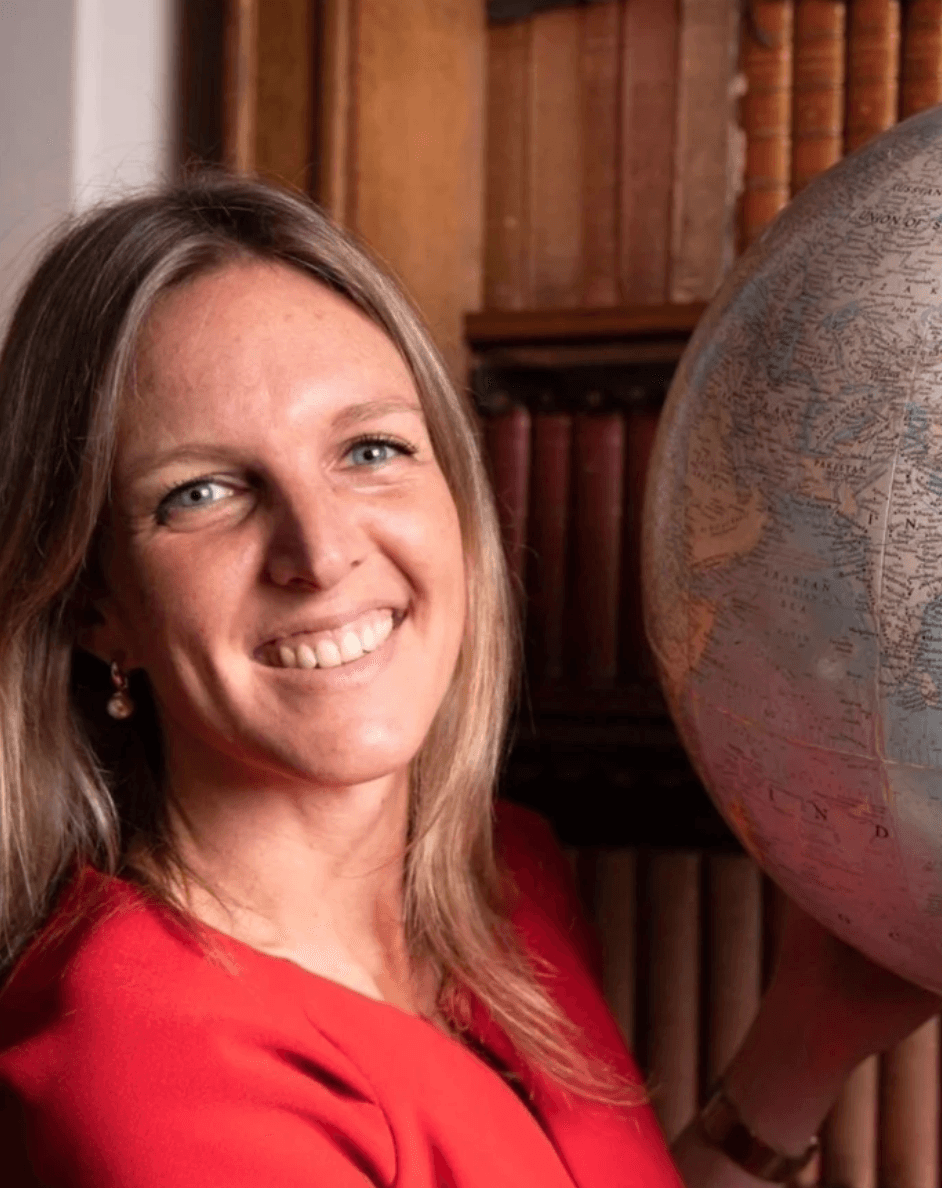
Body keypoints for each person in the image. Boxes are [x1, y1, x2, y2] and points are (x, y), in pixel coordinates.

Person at [0, 174, 936, 1188]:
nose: (321, 553)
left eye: (370, 449)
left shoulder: (505, 879)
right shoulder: (151, 1074)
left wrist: (803, 1046)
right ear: (95, 605)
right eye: (203, 492)